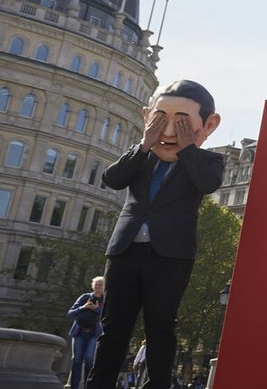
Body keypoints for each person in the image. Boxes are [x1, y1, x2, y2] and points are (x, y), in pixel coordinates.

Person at [88, 81, 225, 389]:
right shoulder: (140, 155)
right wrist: (144, 144)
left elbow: (206, 184)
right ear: (147, 116)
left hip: (171, 256)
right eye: (161, 119)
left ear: (208, 124)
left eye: (182, 122)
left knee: (161, 326)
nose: (170, 131)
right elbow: (112, 179)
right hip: (125, 252)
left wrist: (189, 148)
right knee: (113, 327)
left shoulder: (208, 161)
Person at [66, 275, 106, 389]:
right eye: (96, 284)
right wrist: (83, 307)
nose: (97, 286)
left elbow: (107, 316)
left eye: (100, 284)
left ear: (104, 287)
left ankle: (88, 385)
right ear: (92, 286)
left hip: (94, 333)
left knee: (89, 359)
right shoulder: (84, 297)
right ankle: (74, 386)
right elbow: (70, 313)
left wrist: (96, 309)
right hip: (79, 332)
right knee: (77, 360)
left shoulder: (105, 299)